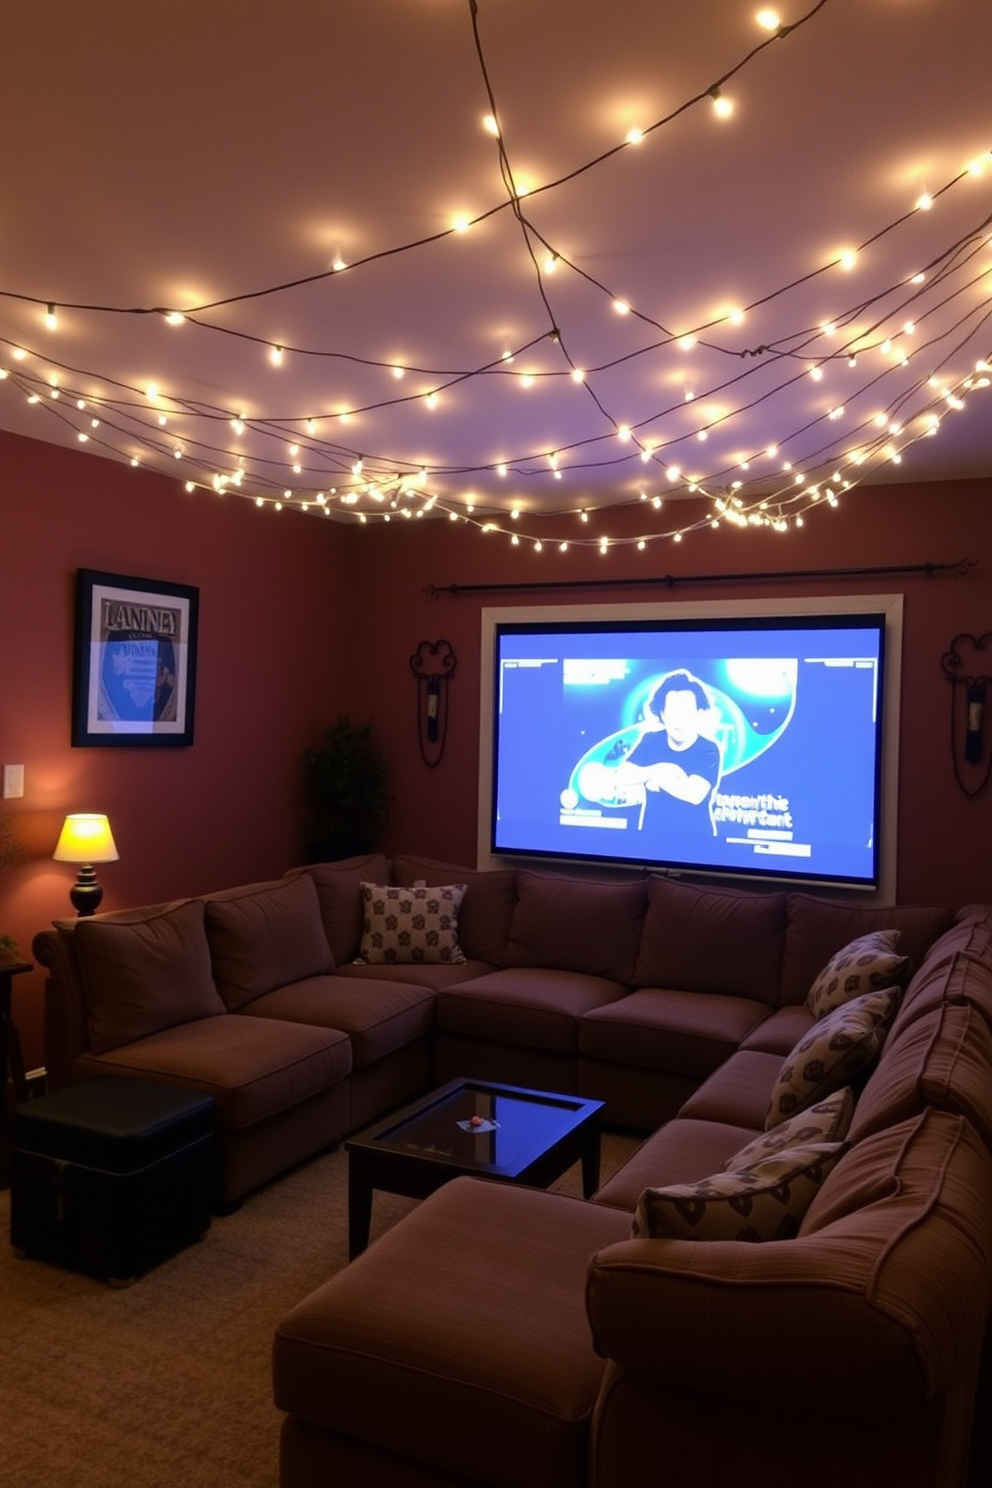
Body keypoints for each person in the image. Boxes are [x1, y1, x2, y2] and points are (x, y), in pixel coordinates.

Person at [613, 669, 721, 835]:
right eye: (673, 711)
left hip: (697, 846)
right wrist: (663, 770)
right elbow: (622, 775)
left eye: (686, 711)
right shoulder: (651, 740)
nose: (679, 719)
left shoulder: (708, 749)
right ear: (662, 714)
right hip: (650, 843)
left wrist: (653, 778)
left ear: (698, 714)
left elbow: (694, 794)